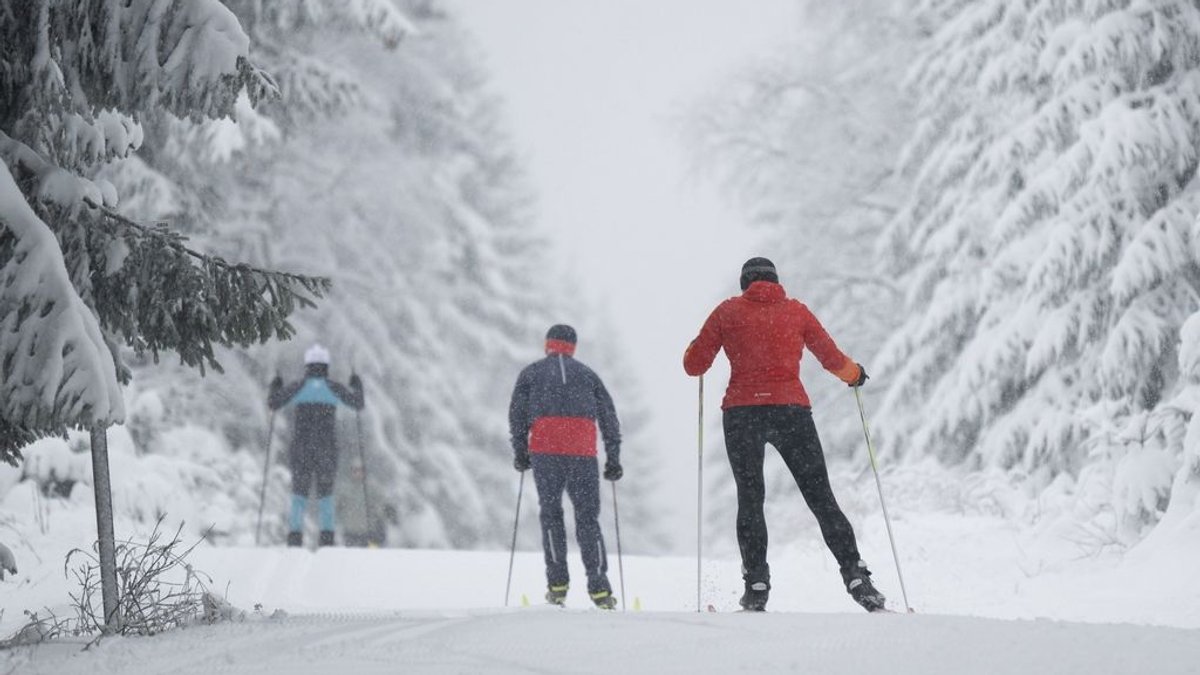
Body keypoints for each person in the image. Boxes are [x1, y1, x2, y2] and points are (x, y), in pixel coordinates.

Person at [683, 257, 887, 612]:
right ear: (776, 282)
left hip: (742, 414)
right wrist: (854, 374)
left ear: (745, 283)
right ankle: (856, 574)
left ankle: (757, 581)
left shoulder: (727, 312)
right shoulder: (796, 312)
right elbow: (831, 357)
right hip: (791, 412)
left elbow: (694, 365)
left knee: (751, 497)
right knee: (820, 496)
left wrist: (699, 349)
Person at [508, 324, 622, 609]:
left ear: (548, 344)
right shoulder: (587, 375)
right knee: (587, 519)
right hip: (581, 454)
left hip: (545, 453)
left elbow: (517, 415)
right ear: (573, 346)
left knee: (551, 516)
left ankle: (557, 585)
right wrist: (613, 457)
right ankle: (599, 587)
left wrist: (521, 452)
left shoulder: (531, 374)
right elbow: (609, 417)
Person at [269, 343, 364, 547]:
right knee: (326, 496)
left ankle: (295, 538)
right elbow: (358, 404)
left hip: (301, 449)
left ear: (308, 366)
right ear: (326, 366)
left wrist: (275, 384)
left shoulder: (298, 387)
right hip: (326, 450)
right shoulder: (333, 388)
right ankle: (326, 538)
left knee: (299, 495)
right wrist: (357, 384)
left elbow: (274, 403)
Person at [336, 458, 385, 547]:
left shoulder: (372, 488)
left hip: (368, 532)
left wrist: (378, 518)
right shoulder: (344, 488)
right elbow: (337, 508)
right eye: (355, 471)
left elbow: (380, 507)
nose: (358, 473)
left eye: (360, 470)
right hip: (349, 532)